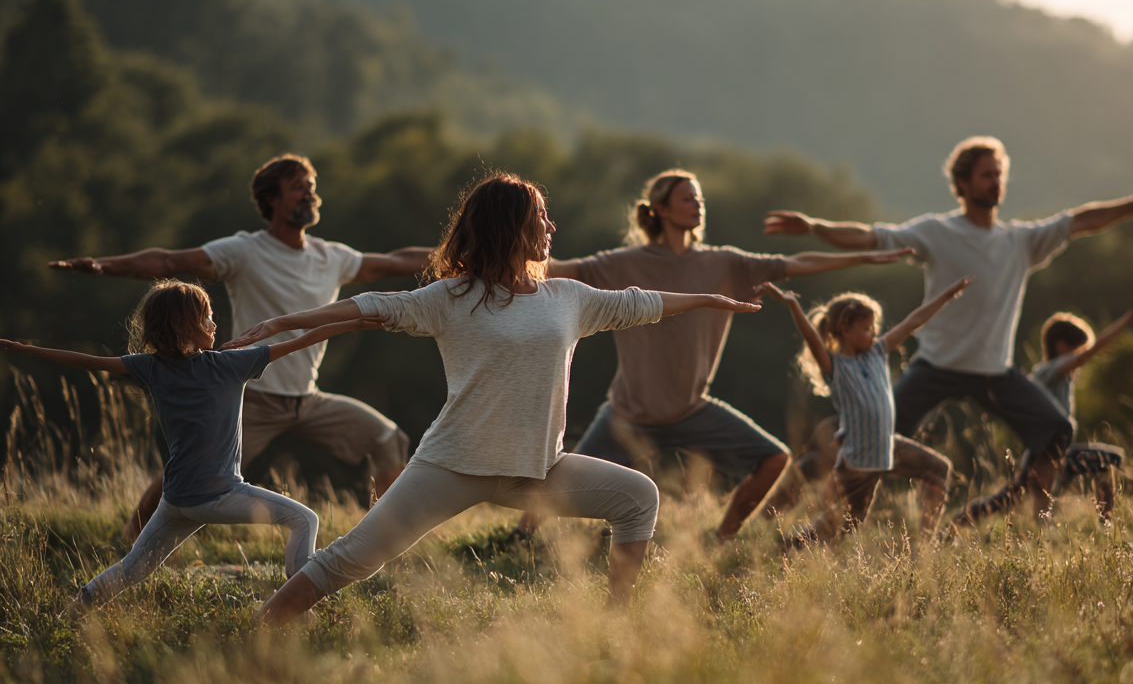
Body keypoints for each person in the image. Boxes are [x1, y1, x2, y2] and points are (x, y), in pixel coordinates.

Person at [235, 172, 762, 625]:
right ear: (511, 225)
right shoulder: (452, 297)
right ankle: (262, 625)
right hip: (453, 464)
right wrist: (284, 323)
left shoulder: (567, 298)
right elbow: (366, 308)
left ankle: (614, 624)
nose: (551, 227)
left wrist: (707, 300)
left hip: (536, 470)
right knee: (351, 559)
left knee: (638, 498)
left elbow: (637, 303)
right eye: (541, 216)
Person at [764, 136, 1133, 524]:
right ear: (963, 183)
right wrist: (816, 227)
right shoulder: (937, 231)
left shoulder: (1020, 241)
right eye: (987, 174)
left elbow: (1082, 220)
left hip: (993, 371)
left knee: (1057, 430)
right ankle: (775, 510)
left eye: (999, 174)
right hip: (936, 366)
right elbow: (870, 237)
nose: (996, 182)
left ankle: (1030, 523)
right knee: (858, 429)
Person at [49, 154, 433, 541]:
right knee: (188, 468)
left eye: (312, 186)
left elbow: (396, 261)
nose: (310, 194)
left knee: (388, 439)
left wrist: (465, 254)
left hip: (307, 398)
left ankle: (388, 536)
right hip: (249, 396)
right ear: (273, 200)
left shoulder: (332, 256)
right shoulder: (244, 251)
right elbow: (168, 259)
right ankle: (134, 537)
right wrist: (102, 266)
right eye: (299, 186)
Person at [534, 169, 914, 541]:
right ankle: (518, 538)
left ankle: (721, 539)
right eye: (687, 197)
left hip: (691, 410)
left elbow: (795, 264)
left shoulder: (726, 263)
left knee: (774, 459)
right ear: (661, 209)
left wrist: (864, 257)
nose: (697, 204)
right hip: (627, 413)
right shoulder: (623, 262)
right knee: (554, 481)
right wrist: (498, 252)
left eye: (699, 197)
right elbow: (555, 271)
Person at [0, 279, 385, 607]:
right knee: (305, 518)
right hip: (218, 495)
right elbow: (305, 340)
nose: (214, 324)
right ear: (186, 325)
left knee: (133, 568)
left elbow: (85, 361)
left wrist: (24, 350)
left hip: (176, 499)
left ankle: (72, 611)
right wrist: (356, 322)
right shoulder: (231, 365)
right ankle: (298, 604)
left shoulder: (149, 367)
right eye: (206, 317)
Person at [758, 277, 970, 543]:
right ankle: (795, 543)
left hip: (889, 447)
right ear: (846, 331)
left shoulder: (878, 351)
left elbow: (913, 321)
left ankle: (926, 543)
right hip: (859, 459)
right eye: (868, 328)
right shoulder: (834, 367)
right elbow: (812, 337)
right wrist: (792, 305)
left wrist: (946, 296)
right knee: (849, 522)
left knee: (939, 469)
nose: (874, 333)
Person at [1029, 306, 1133, 521]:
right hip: (1047, 457)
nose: (1081, 357)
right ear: (1061, 346)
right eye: (1077, 350)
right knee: (1038, 510)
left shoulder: (1053, 373)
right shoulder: (1050, 370)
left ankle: (1105, 523)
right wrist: (1127, 321)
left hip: (1057, 453)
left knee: (1110, 459)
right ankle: (1102, 524)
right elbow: (1095, 350)